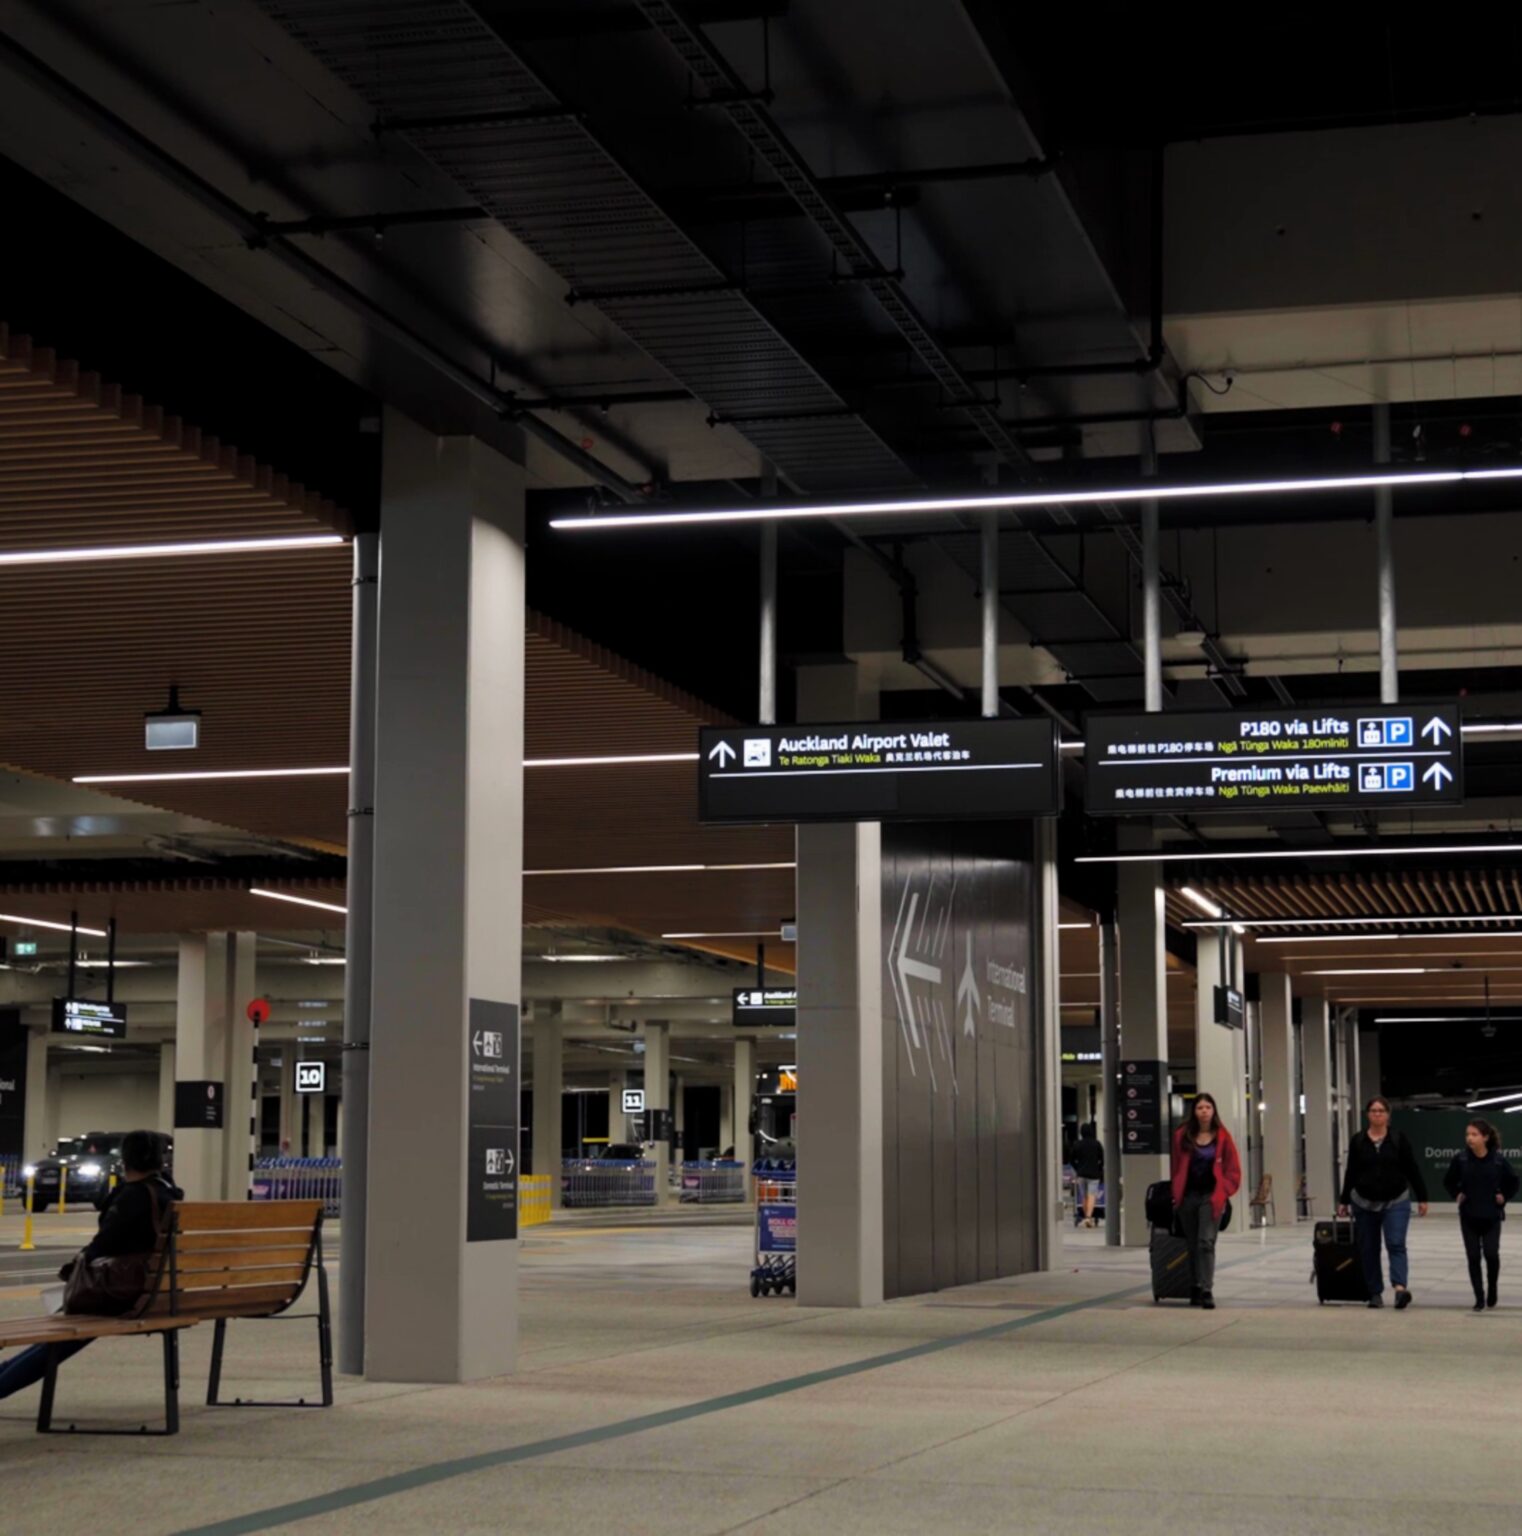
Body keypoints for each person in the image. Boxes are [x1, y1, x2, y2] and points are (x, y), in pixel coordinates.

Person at [0, 1130, 180, 1399]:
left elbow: (102, 1246)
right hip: (163, 1296)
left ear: (125, 1162)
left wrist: (74, 1266)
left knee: (66, 1330)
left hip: (126, 1295)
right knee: (63, 1332)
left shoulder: (132, 1197)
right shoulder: (170, 1194)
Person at [1338, 1095, 1429, 1310]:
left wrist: (1422, 1197)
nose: (1377, 1114)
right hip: (1363, 1202)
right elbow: (1351, 1171)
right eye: (1373, 1111)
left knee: (1396, 1243)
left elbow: (1412, 1168)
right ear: (1367, 1115)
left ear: (1388, 1115)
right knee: (1368, 1248)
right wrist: (1343, 1200)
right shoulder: (1358, 1140)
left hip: (1396, 1201)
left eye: (1381, 1111)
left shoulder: (1398, 1139)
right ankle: (1374, 1293)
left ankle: (1399, 1289)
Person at [1169, 1092, 1242, 1310]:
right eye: (1200, 1108)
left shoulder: (1222, 1137)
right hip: (1188, 1196)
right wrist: (1176, 1192)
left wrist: (1225, 1190)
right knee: (1192, 1244)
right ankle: (1195, 1286)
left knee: (1206, 1242)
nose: (1204, 1111)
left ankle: (1207, 1289)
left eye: (1208, 1107)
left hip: (1212, 1196)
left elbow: (1233, 1169)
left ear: (1213, 1111)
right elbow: (1176, 1167)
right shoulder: (1182, 1135)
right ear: (1194, 1111)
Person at [1443, 1117, 1519, 1311]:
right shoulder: (1461, 1159)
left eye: (1474, 1134)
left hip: (1491, 1216)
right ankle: (1479, 1296)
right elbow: (1449, 1181)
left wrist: (1504, 1196)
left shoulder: (1498, 1160)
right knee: (1473, 1256)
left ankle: (1492, 1286)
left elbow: (1513, 1181)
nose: (1470, 1138)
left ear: (1485, 1137)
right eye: (1468, 1134)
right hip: (1468, 1215)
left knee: (1492, 1254)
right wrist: (1456, 1194)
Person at [1070, 1122, 1104, 1228]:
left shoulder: (1077, 1144)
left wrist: (1077, 1168)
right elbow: (1102, 1159)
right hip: (1094, 1174)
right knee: (1091, 1195)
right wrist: (1099, 1169)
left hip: (1081, 1174)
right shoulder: (1096, 1144)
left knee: (1084, 1196)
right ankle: (1089, 1218)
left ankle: (1086, 1217)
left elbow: (1071, 1159)